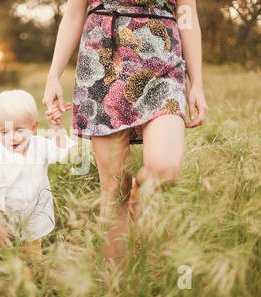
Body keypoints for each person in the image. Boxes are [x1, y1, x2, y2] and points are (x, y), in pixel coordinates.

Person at [43, 0, 209, 268]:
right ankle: (119, 286)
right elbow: (74, 14)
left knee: (165, 169)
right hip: (102, 61)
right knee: (113, 189)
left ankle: (137, 194)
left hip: (162, 60)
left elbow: (187, 15)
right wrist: (53, 76)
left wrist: (197, 83)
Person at [0, 89, 78, 263]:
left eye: (19, 130)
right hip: (6, 221)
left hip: (34, 218)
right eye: (5, 132)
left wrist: (56, 128)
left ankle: (31, 282)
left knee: (32, 259)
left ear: (33, 127)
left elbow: (60, 152)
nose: (12, 137)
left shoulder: (39, 145)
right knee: (3, 258)